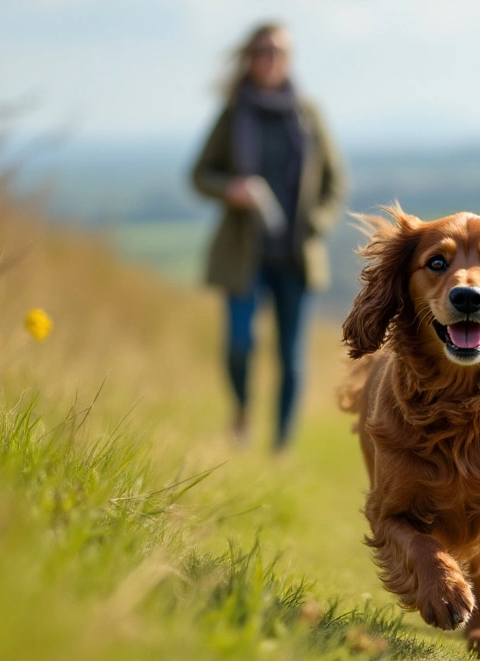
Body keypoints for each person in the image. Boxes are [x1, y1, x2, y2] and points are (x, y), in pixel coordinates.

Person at [190, 22, 347, 451]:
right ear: (249, 57)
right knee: (240, 344)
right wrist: (232, 189)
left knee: (291, 358)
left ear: (289, 59)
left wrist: (317, 222)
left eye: (279, 51)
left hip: (295, 256)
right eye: (263, 50)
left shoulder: (308, 115)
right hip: (246, 254)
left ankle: (281, 447)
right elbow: (199, 175)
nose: (270, 59)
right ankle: (241, 411)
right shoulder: (232, 113)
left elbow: (335, 182)